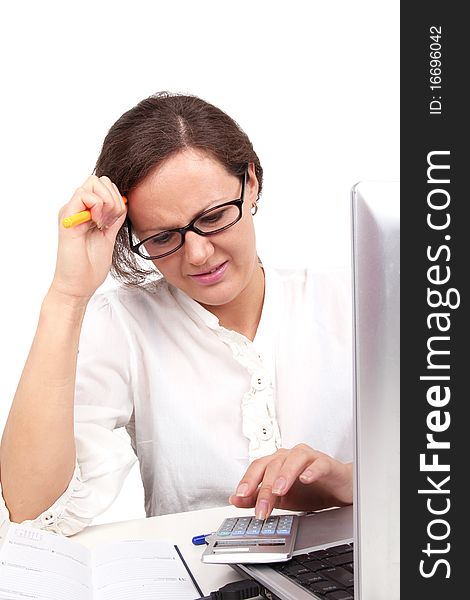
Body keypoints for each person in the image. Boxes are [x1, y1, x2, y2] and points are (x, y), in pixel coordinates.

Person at [0, 92, 353, 536]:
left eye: (214, 217)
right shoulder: (123, 326)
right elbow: (30, 512)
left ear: (252, 183)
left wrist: (351, 481)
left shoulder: (352, 301)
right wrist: (67, 296)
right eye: (164, 237)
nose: (199, 254)